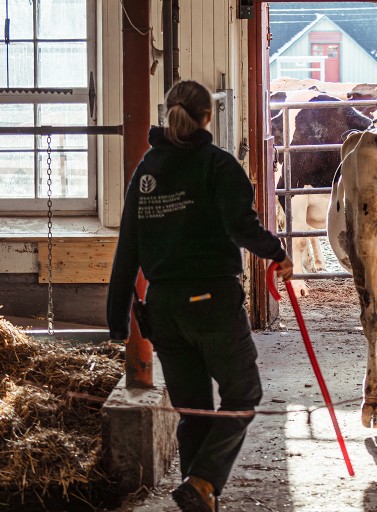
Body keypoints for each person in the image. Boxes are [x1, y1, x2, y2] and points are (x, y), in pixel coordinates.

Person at [107, 79, 293, 512]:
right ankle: (206, 480)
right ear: (208, 117)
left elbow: (127, 249)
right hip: (212, 303)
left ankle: (200, 495)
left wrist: (117, 320)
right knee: (242, 394)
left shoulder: (147, 170)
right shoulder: (218, 165)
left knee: (194, 412)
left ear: (166, 112)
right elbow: (240, 226)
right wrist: (277, 252)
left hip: (164, 309)